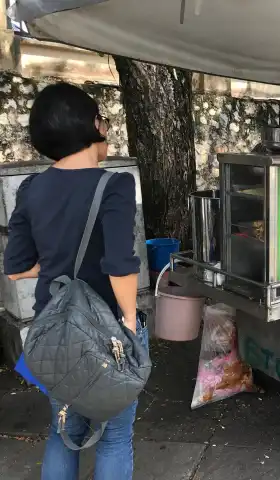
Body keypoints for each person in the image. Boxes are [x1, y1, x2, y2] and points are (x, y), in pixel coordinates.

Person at [4, 82, 145, 480]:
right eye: (104, 121)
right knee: (115, 437)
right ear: (93, 127)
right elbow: (120, 266)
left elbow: (16, 268)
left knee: (63, 432)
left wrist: (52, 264)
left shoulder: (31, 189)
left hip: (53, 332)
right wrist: (131, 323)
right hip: (108, 334)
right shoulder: (114, 184)